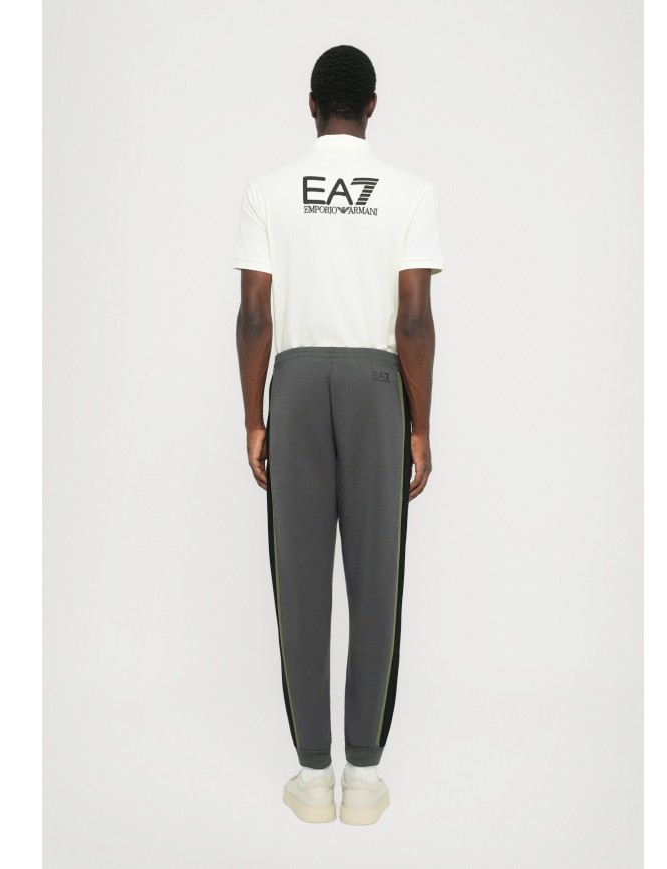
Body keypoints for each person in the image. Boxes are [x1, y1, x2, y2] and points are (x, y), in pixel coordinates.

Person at [231, 44, 443, 825]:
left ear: (312, 104)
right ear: (373, 105)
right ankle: (364, 780)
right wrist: (420, 424)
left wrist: (254, 416)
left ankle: (312, 778)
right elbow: (413, 320)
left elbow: (256, 314)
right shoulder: (411, 193)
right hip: (377, 387)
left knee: (300, 579)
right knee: (376, 578)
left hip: (294, 384)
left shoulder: (268, 191)